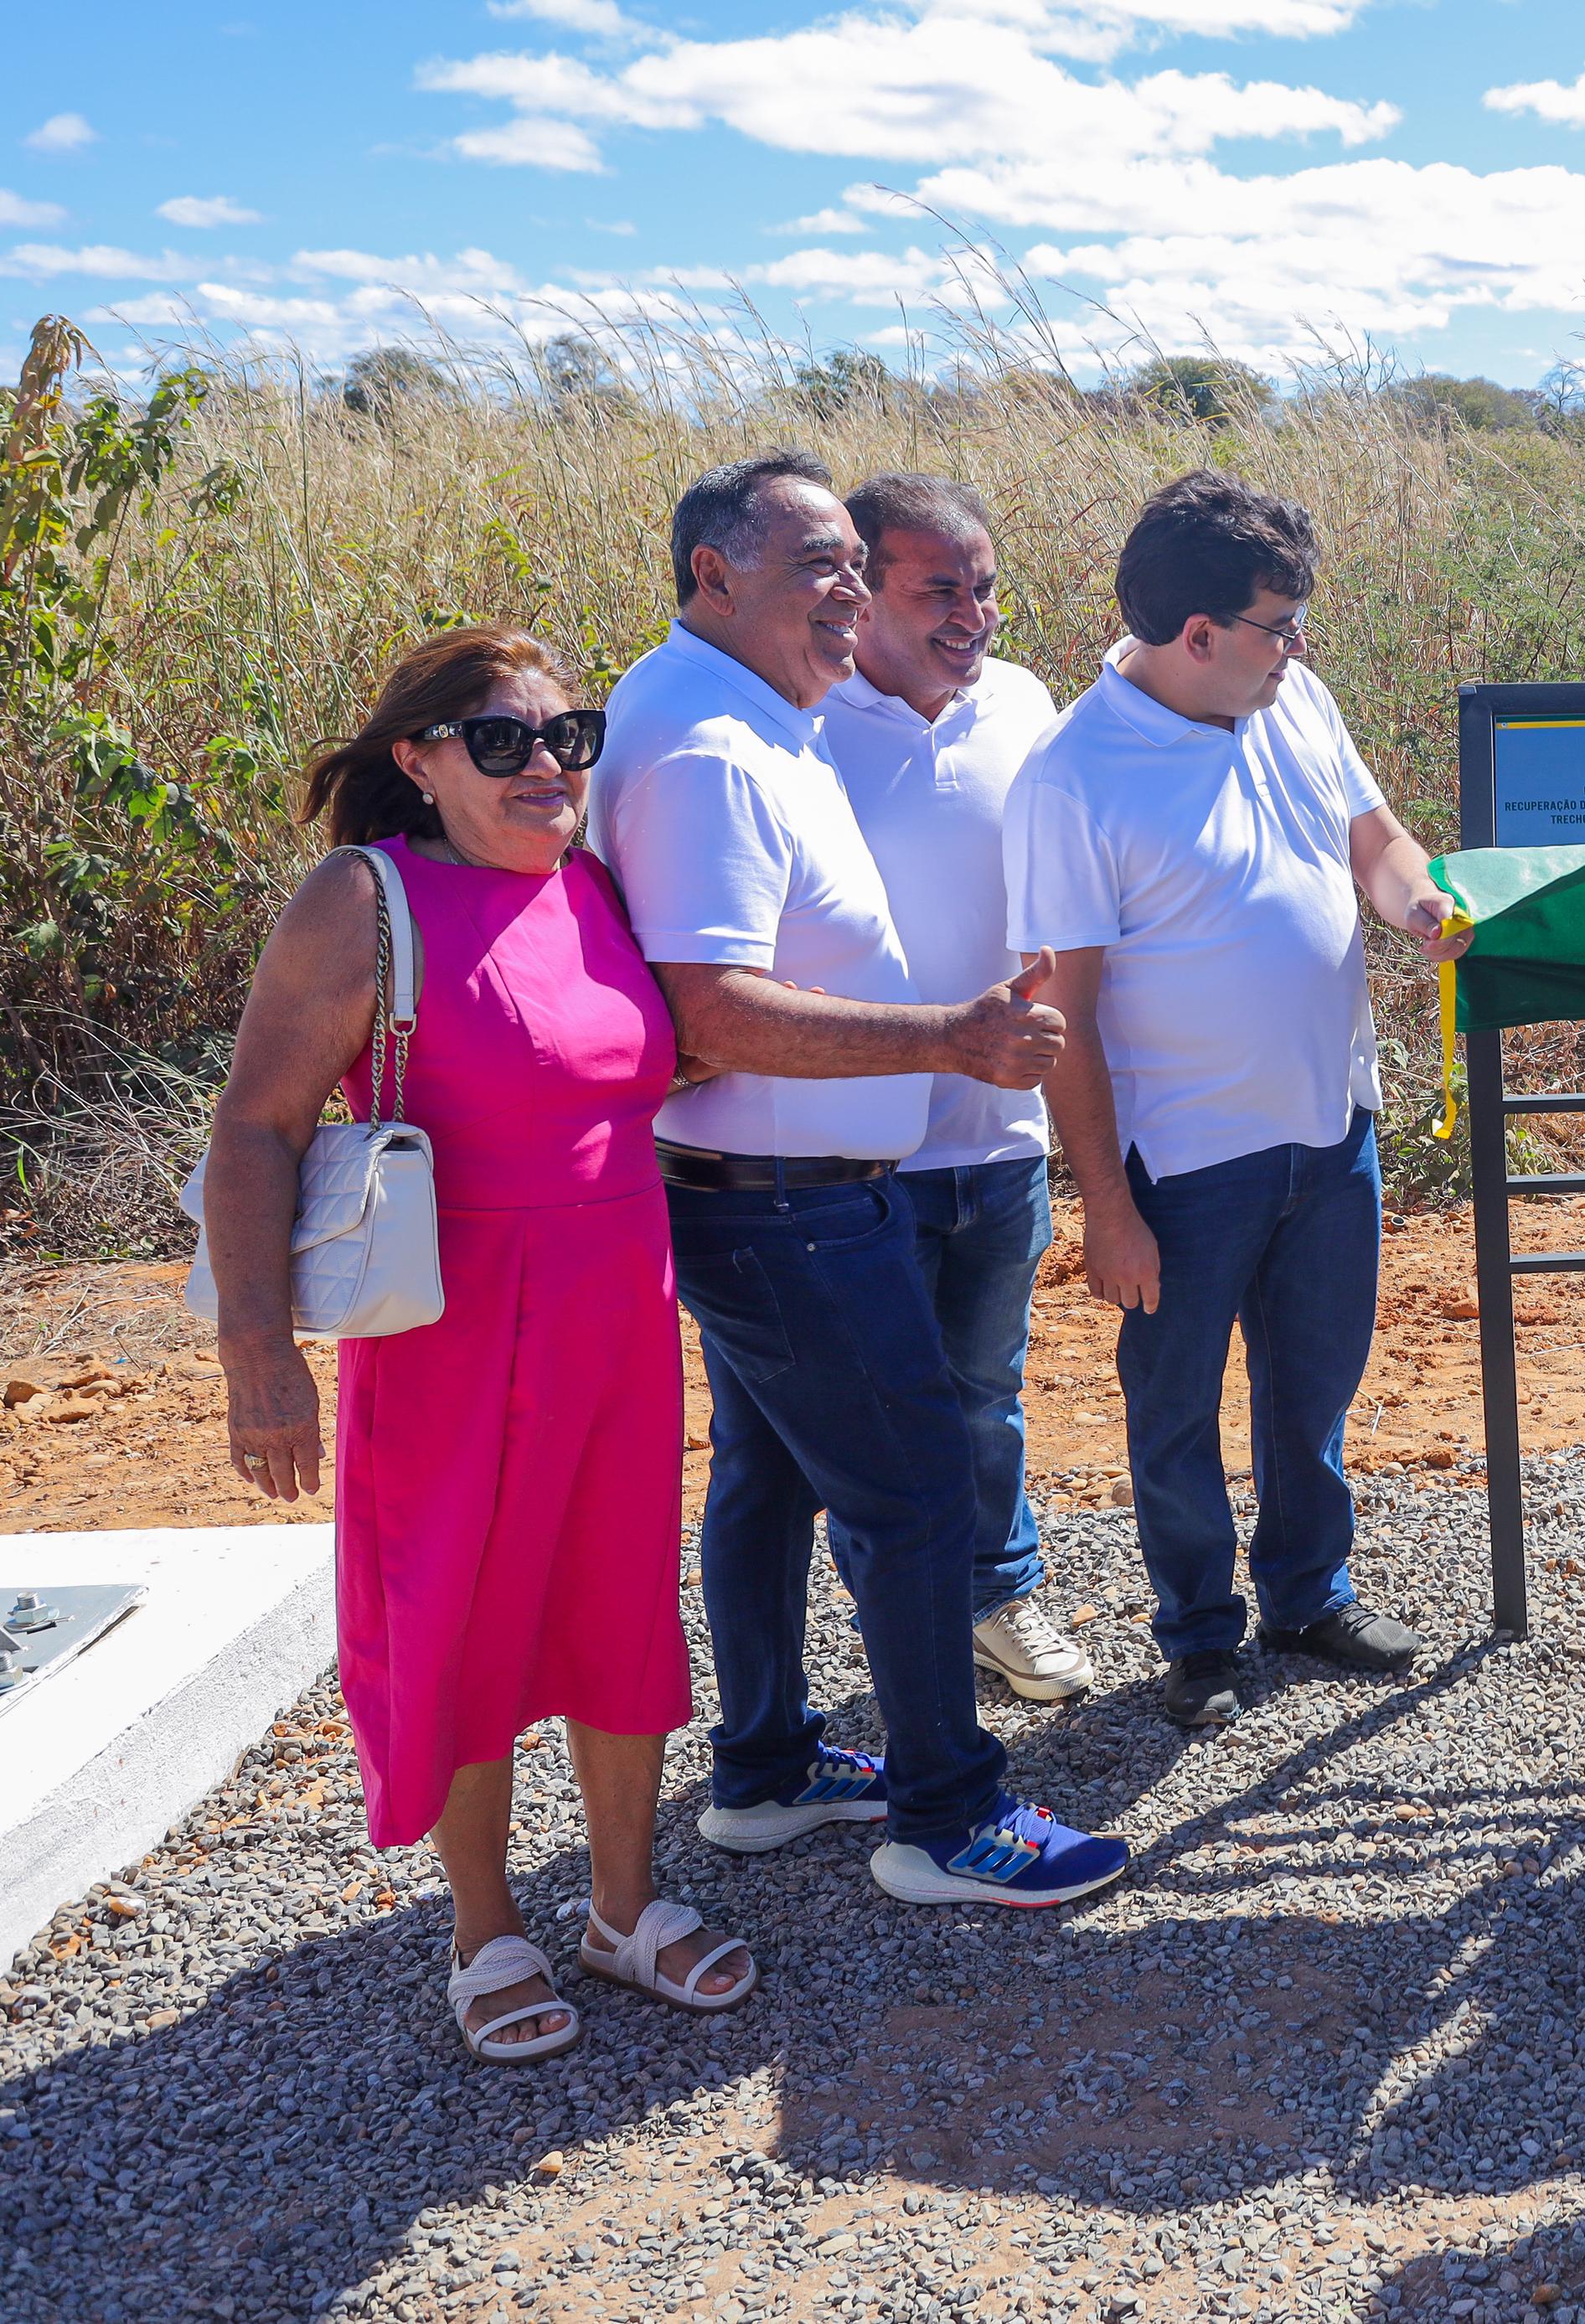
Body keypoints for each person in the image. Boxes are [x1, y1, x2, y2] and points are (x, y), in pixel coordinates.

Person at [594, 450, 1128, 1908]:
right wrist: (948, 1033)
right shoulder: (712, 744)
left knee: (767, 1480)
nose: (846, 592)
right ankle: (947, 1817)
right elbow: (714, 1006)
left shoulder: (749, 709)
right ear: (714, 571)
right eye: (818, 563)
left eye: (850, 564)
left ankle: (765, 1767)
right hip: (787, 1200)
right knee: (909, 1491)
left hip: (771, 1185)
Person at [209, 625, 751, 2058]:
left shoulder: (597, 887)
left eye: (567, 735)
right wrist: (257, 1353)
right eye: (502, 741)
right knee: (455, 1615)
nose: (547, 766)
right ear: (421, 760)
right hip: (450, 1339)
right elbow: (256, 1127)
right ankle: (485, 1926)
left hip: (621, 1324)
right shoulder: (364, 897)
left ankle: (625, 1907)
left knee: (619, 1604)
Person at [1008, 470, 1468, 1730]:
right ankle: (1201, 1636)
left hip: (1332, 1128)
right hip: (1185, 1162)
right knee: (1177, 1410)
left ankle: (1308, 1594)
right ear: (1196, 632)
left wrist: (1417, 901)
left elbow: (1377, 843)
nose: (1300, 645)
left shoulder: (1293, 697)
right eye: (1278, 621)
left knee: (1311, 1386)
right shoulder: (1074, 776)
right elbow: (1067, 1016)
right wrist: (1105, 1202)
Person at [818, 472, 1088, 1706]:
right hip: (852, 1151)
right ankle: (906, 1638)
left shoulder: (1026, 704)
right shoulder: (799, 719)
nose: (973, 614)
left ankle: (997, 1599)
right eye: (941, 589)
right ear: (859, 588)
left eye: (984, 587)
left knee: (987, 1397)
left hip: (1001, 1138)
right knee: (873, 1421)